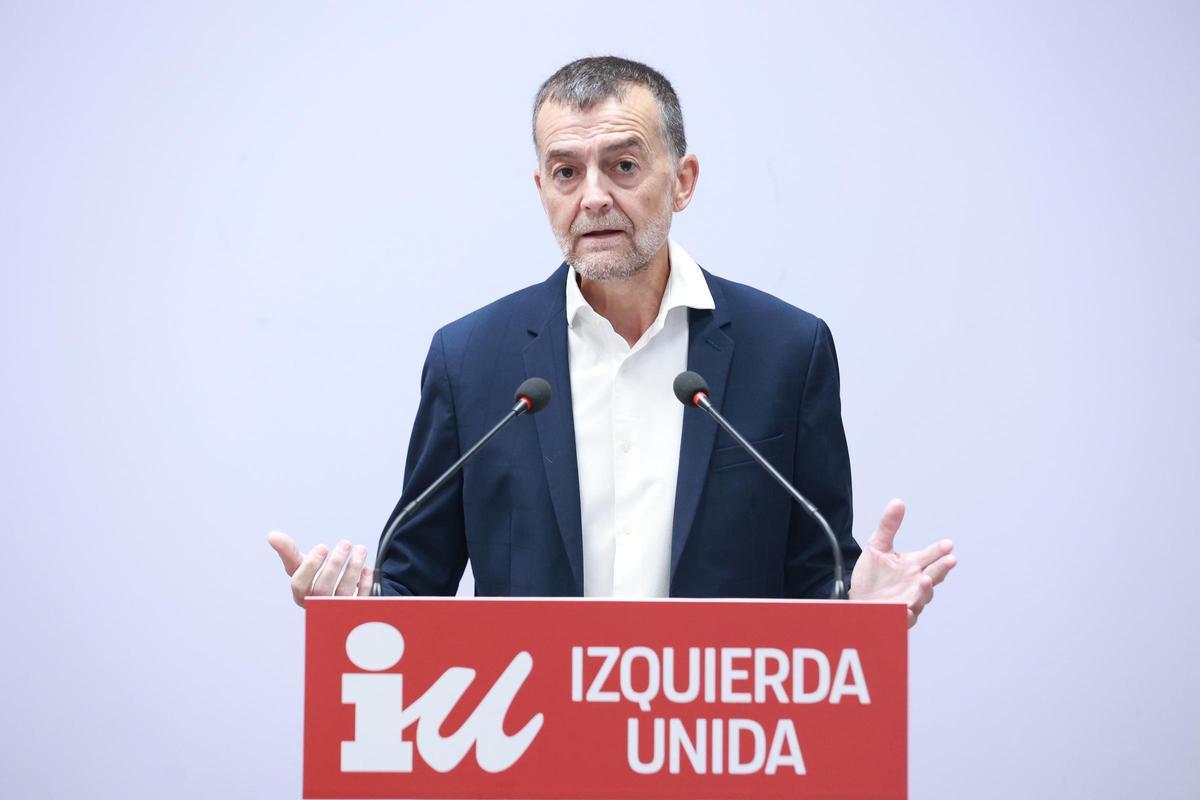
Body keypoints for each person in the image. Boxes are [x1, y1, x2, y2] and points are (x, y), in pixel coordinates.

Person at [268, 57, 956, 626]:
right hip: (529, 756)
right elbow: (415, 585)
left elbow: (816, 579)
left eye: (623, 166)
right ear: (543, 189)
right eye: (566, 172)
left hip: (716, 748)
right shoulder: (472, 360)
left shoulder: (788, 350)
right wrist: (354, 613)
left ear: (681, 182)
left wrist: (859, 616)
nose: (592, 197)